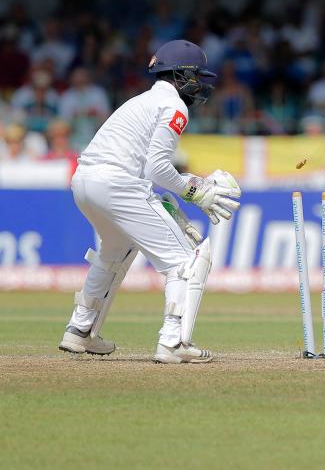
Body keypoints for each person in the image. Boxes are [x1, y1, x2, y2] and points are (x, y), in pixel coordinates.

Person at [58, 39, 242, 364]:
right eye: (196, 76)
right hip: (117, 184)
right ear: (181, 74)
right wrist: (194, 192)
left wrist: (173, 196)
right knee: (186, 262)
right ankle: (173, 343)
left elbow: (147, 170)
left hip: (85, 181)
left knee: (114, 253)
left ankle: (80, 330)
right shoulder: (174, 107)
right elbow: (156, 168)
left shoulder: (141, 101)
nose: (199, 84)